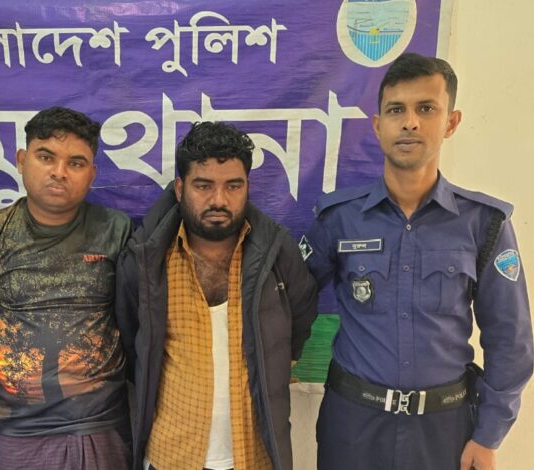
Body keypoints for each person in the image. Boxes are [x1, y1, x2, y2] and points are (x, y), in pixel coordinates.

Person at [303, 52, 534, 470]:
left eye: (426, 109)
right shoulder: (339, 219)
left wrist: (488, 435)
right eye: (396, 110)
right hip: (353, 425)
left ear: (451, 122)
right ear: (378, 126)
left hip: (445, 431)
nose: (409, 122)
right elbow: (287, 299)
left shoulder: (484, 224)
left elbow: (510, 339)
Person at [115, 121, 318, 470]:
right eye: (203, 186)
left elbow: (300, 317)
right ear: (180, 188)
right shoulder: (147, 261)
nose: (219, 200)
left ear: (247, 187)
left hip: (254, 456)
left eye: (233, 186)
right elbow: (135, 345)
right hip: (171, 455)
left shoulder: (278, 253)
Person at [0, 107, 132, 469]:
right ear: (22, 160)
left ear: (92, 173)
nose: (59, 172)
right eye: (46, 157)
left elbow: (132, 322)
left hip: (100, 422)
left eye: (76, 163)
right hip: (22, 427)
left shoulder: (115, 230)